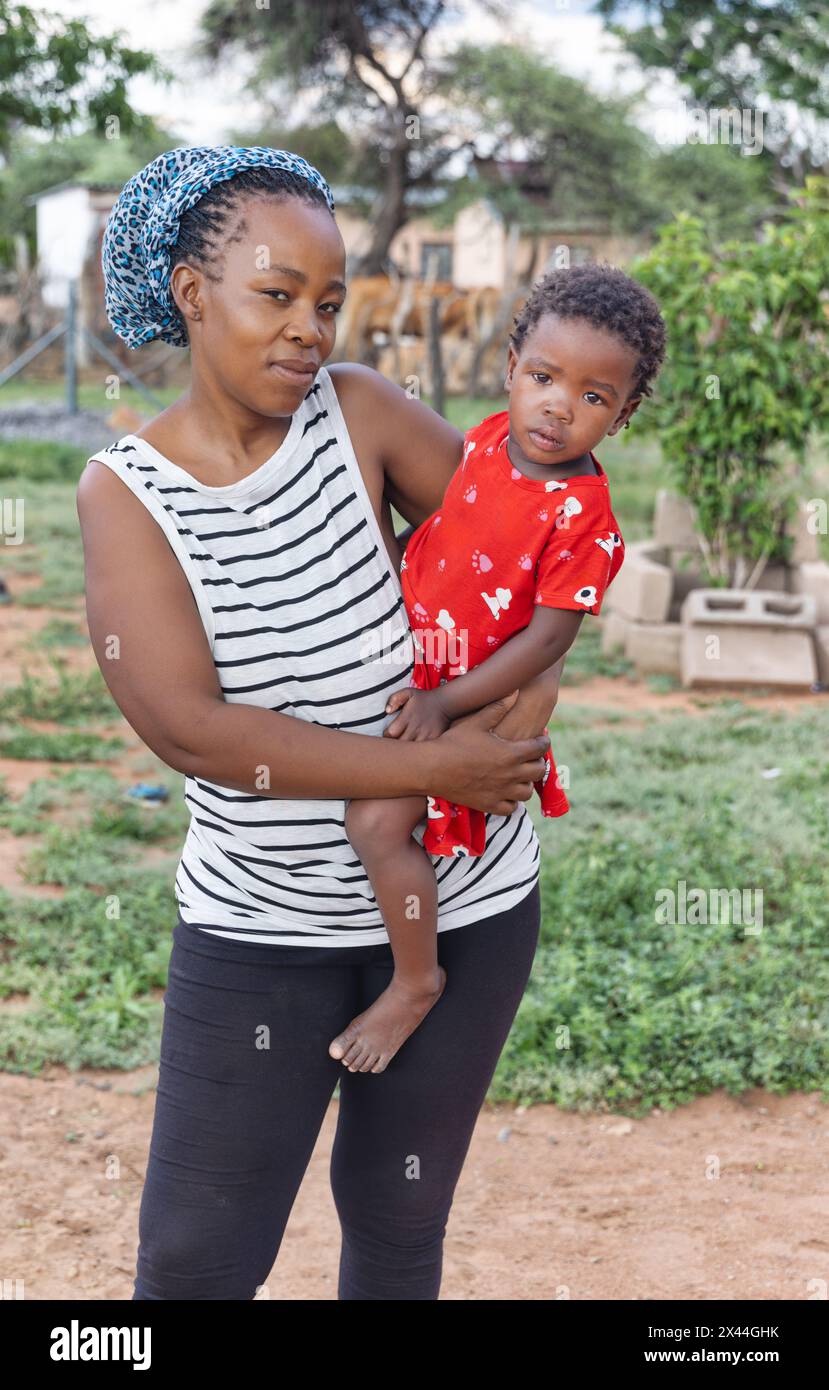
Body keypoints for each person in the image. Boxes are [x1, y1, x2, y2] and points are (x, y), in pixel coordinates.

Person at [77, 145, 560, 1301]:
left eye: (330, 301)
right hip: (261, 930)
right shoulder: (127, 496)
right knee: (196, 1259)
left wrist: (503, 718)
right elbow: (193, 730)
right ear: (194, 295)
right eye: (276, 293)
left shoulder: (361, 418)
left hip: (463, 910)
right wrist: (444, 758)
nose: (309, 328)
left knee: (396, 1222)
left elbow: (531, 565)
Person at [336, 263, 666, 1075]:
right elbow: (453, 530)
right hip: (431, 664)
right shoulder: (484, 440)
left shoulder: (584, 520)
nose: (559, 405)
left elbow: (546, 644)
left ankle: (415, 980)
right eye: (545, 378)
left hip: (479, 692)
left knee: (375, 824)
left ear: (622, 416)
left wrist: (444, 703)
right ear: (511, 366)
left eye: (593, 397)